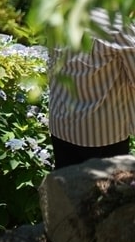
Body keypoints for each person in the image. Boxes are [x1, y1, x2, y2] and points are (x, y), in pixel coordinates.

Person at [47, 9, 135, 169]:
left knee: (68, 189)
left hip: (61, 123)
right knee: (106, 191)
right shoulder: (116, 23)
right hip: (103, 134)